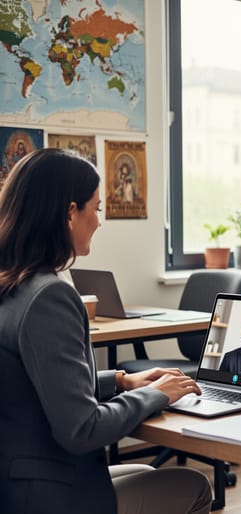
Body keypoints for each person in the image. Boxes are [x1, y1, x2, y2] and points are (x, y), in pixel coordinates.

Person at [0, 148, 211, 513]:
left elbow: (38, 384)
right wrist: (157, 394)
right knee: (195, 486)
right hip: (48, 495)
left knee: (143, 470)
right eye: (96, 208)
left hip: (17, 480)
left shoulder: (12, 284)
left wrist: (120, 380)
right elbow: (83, 430)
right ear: (70, 213)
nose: (98, 221)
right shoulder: (50, 296)